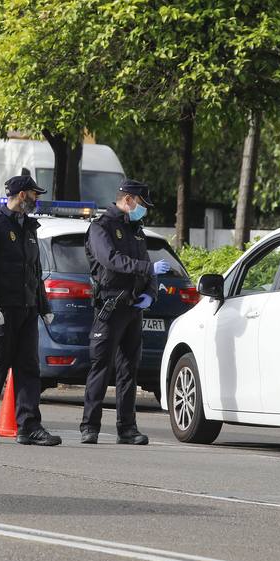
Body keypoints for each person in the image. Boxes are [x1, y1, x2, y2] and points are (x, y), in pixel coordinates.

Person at [0, 169, 60, 446]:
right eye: (34, 194)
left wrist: (43, 305)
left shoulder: (29, 228)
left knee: (29, 368)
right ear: (22, 195)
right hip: (3, 309)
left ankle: (29, 426)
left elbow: (34, 271)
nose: (36, 199)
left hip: (27, 308)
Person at [81, 179, 167, 445]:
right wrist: (147, 269)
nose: (143, 210)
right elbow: (110, 260)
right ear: (128, 199)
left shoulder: (136, 230)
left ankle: (127, 428)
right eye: (141, 204)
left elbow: (147, 264)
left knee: (130, 370)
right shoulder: (101, 227)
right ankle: (90, 427)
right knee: (101, 367)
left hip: (132, 309)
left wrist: (150, 294)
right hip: (110, 305)